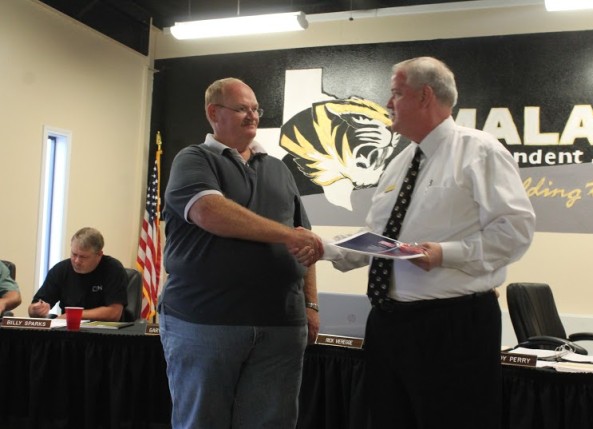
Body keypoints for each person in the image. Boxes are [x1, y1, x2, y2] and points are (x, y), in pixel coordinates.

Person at [322, 57, 536, 428]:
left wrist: (444, 255)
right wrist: (322, 248)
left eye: (395, 93)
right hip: (388, 325)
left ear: (424, 96)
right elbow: (378, 239)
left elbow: (514, 233)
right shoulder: (399, 163)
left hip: (452, 327)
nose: (388, 104)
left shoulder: (480, 151)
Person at [159, 77, 323, 429]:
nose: (252, 115)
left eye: (255, 109)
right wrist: (285, 236)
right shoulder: (193, 159)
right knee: (202, 421)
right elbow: (209, 212)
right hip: (206, 323)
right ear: (214, 113)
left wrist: (310, 304)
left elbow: (304, 239)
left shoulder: (279, 169)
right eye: (242, 108)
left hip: (281, 325)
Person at [28, 227, 128, 321]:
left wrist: (73, 316)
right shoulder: (60, 270)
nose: (76, 261)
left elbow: (114, 313)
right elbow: (33, 310)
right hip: (69, 332)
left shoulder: (113, 269)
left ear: (99, 255)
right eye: (74, 254)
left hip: (105, 334)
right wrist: (36, 309)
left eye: (83, 257)